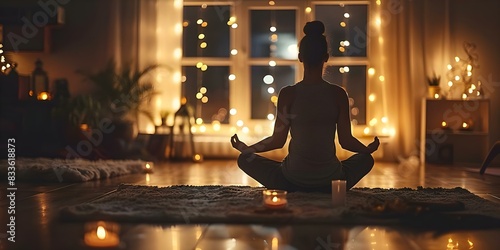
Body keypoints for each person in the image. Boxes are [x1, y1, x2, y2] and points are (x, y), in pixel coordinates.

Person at [230, 20, 379, 192]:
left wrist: (247, 149)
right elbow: (346, 141)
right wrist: (366, 149)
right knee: (366, 159)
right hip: (330, 183)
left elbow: (277, 141)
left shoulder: (288, 94)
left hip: (291, 181)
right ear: (326, 57)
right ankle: (325, 186)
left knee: (244, 159)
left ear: (300, 57)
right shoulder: (338, 94)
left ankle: (296, 186)